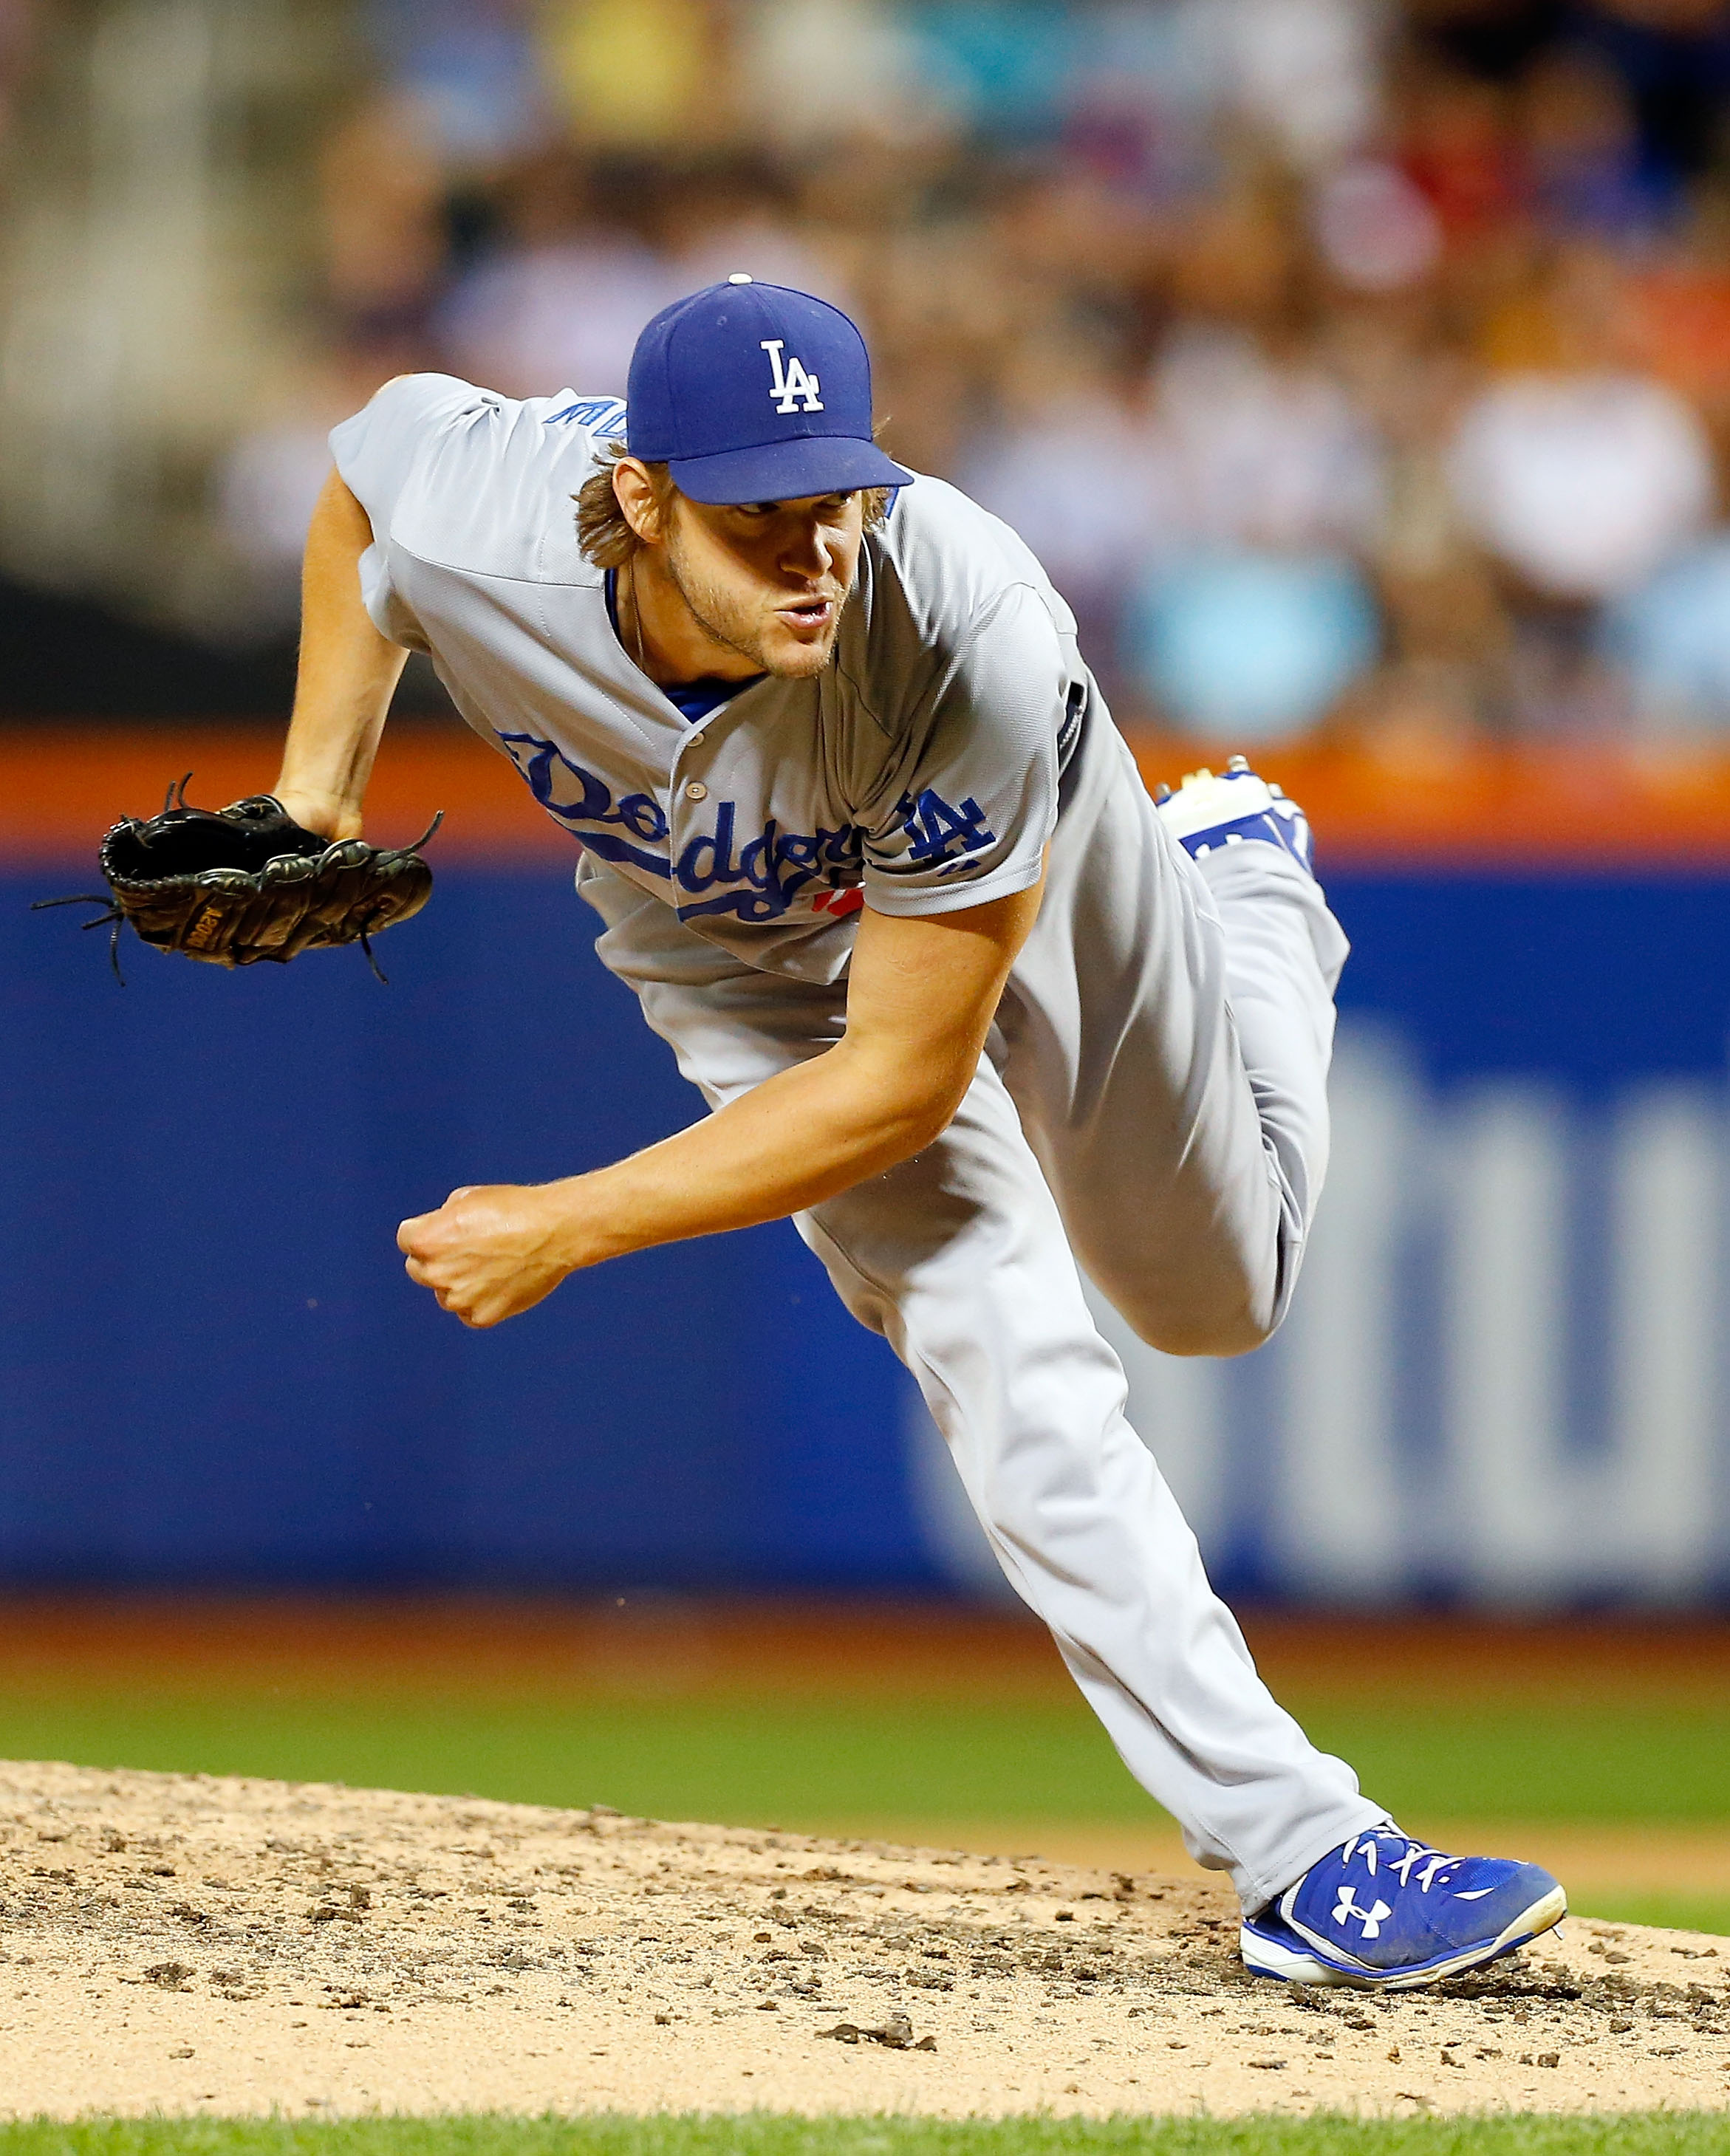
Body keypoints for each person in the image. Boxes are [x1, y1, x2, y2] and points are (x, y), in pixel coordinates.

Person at [271, 276, 1565, 1990]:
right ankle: (1310, 1853)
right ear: (642, 497)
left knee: (1212, 1293)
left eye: (836, 497)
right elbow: (366, 474)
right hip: (739, 946)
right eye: (762, 515)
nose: (814, 551)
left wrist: (573, 1219)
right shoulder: (491, 514)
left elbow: (894, 1076)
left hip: (1026, 864)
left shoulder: (966, 633)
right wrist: (314, 785)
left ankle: (1238, 880)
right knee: (1004, 1334)